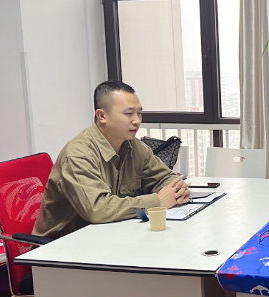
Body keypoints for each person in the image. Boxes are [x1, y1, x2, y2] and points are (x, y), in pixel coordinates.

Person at [33, 81, 191, 239]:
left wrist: (176, 191)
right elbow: (98, 209)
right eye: (129, 114)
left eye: (139, 113)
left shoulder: (133, 146)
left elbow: (163, 177)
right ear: (102, 116)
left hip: (110, 234)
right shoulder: (78, 155)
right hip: (63, 244)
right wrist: (157, 201)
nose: (137, 120)